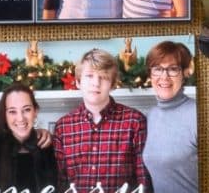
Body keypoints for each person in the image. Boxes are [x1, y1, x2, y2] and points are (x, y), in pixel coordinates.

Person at [54, 48, 151, 190]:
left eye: (103, 77)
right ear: (78, 82)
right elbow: (61, 182)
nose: (96, 83)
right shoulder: (63, 127)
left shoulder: (134, 122)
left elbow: (143, 181)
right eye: (89, 76)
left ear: (112, 85)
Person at [144, 40, 199, 193]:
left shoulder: (199, 114)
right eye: (157, 69)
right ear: (150, 74)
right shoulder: (149, 117)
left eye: (173, 69)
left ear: (185, 73)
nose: (164, 76)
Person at [0, 84, 57, 190]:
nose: (20, 118)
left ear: (35, 111)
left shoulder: (49, 147)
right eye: (12, 111)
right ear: (5, 115)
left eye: (27, 109)